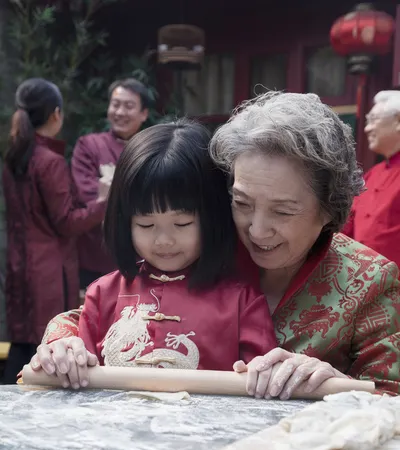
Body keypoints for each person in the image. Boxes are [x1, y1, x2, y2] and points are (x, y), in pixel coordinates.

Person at [31, 92, 400, 397]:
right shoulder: (205, 244)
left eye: (283, 212)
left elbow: (390, 396)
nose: (256, 230)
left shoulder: (368, 280)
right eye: (242, 203)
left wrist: (335, 384)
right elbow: (100, 309)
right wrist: (63, 343)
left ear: (329, 209)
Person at [27, 119, 276, 388]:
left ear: (212, 218)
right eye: (146, 225)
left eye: (182, 224)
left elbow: (263, 386)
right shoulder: (102, 294)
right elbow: (77, 385)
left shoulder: (241, 302)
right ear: (125, 222)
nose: (163, 240)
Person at [2, 78, 109, 384]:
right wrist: (103, 202)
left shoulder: (14, 157)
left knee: (21, 346)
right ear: (55, 115)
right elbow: (67, 223)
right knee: (46, 349)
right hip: (49, 272)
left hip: (19, 268)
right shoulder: (49, 161)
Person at [72, 78, 150, 288]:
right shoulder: (89, 145)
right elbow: (87, 194)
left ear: (144, 113)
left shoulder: (151, 149)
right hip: (95, 257)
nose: (120, 112)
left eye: (129, 106)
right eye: (115, 104)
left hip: (142, 256)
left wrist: (109, 193)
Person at [343, 91, 400, 267]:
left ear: (398, 121)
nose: (367, 128)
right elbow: (347, 224)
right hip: (363, 281)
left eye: (374, 120)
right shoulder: (373, 173)